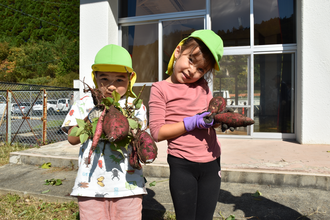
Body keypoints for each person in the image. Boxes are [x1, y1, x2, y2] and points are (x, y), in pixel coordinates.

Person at [61, 44, 148, 220]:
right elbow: (72, 138)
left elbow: (142, 139)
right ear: (95, 78)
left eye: (119, 80)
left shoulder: (135, 106)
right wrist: (92, 116)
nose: (111, 87)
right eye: (105, 79)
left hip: (128, 183)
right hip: (90, 183)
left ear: (130, 79)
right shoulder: (85, 103)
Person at [149, 30, 224, 220]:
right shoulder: (160, 89)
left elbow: (207, 121)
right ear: (178, 51)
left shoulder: (202, 87)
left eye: (201, 70)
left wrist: (218, 121)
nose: (192, 71)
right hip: (182, 164)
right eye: (191, 60)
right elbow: (157, 132)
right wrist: (191, 123)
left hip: (212, 162)